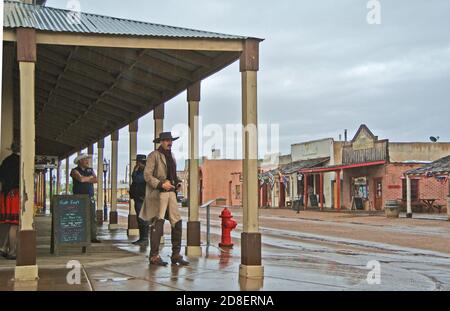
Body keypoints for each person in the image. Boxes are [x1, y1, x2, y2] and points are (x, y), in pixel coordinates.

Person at [140, 132, 189, 266]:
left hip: (171, 193)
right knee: (158, 222)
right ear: (161, 142)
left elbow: (172, 174)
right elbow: (147, 175)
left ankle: (176, 255)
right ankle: (154, 256)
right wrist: (161, 184)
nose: (170, 143)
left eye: (171, 140)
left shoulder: (171, 156)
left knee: (177, 222)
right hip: (159, 193)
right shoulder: (153, 155)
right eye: (167, 140)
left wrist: (177, 182)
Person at [70, 154, 100, 243]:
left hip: (90, 197)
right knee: (79, 217)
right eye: (85, 159)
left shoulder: (90, 170)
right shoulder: (74, 171)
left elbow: (96, 180)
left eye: (87, 159)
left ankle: (93, 237)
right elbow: (80, 179)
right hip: (78, 198)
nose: (87, 161)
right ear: (80, 161)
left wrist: (85, 178)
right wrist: (89, 178)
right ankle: (79, 236)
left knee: (92, 217)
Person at [0, 142, 20, 260]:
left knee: (10, 223)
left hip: (5, 194)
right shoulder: (20, 161)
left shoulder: (6, 160)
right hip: (15, 194)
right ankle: (12, 251)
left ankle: (3, 247)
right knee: (15, 224)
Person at [130, 154, 148, 246]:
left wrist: (134, 171)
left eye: (138, 162)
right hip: (138, 198)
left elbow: (137, 180)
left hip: (142, 198)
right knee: (140, 219)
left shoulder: (145, 171)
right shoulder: (140, 171)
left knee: (142, 219)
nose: (136, 164)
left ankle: (144, 239)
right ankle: (142, 238)